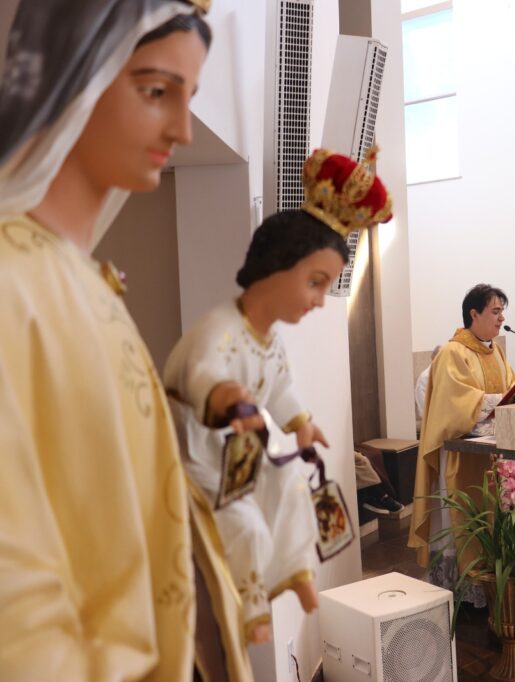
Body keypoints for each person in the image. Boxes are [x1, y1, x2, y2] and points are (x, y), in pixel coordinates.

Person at [0, 3, 252, 680]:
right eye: (155, 91)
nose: (182, 130)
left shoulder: (80, 278)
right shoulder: (11, 279)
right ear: (75, 74)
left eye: (188, 98)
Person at [164, 147, 393, 644]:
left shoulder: (269, 339)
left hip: (237, 452)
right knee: (245, 523)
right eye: (315, 284)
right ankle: (252, 606)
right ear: (274, 267)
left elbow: (281, 387)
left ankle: (295, 575)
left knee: (291, 484)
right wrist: (229, 397)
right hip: (195, 456)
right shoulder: (220, 329)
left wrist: (300, 424)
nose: (318, 301)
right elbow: (201, 373)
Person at [409, 284, 515, 600]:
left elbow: (511, 388)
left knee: (490, 515)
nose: (501, 318)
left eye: (502, 311)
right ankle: (460, 591)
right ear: (474, 313)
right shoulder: (452, 353)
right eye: (495, 311)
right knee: (463, 518)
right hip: (461, 455)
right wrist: (501, 399)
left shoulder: (495, 351)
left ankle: (490, 584)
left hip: (491, 452)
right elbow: (454, 405)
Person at [415, 345, 442, 426]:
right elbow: (423, 410)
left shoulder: (447, 375)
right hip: (433, 421)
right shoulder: (425, 378)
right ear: (434, 358)